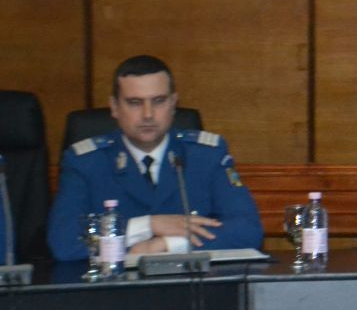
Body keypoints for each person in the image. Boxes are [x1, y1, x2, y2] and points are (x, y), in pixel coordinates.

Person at [47, 55, 263, 260]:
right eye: (134, 102)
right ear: (114, 107)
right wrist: (149, 225)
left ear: (173, 104)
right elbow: (64, 244)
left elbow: (248, 231)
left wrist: (167, 245)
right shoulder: (86, 162)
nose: (148, 114)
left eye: (158, 101)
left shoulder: (206, 156)